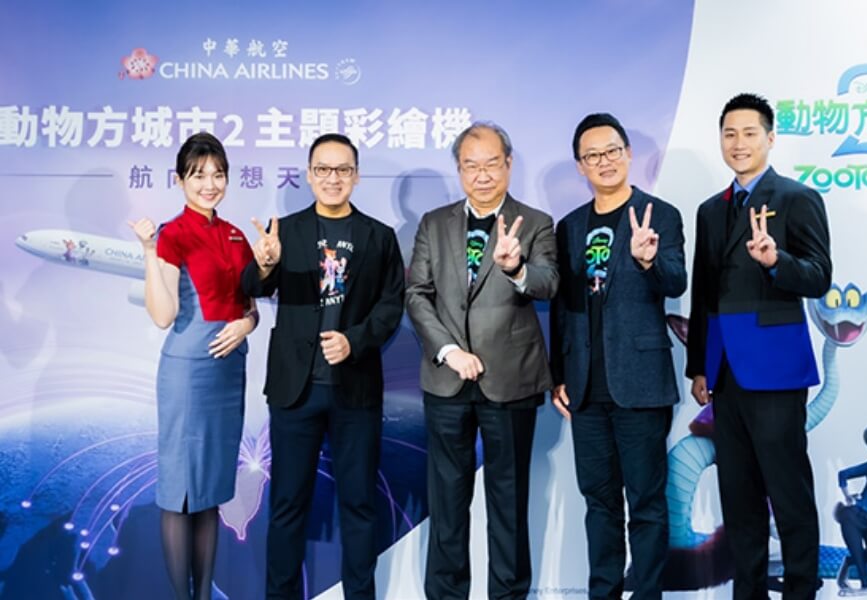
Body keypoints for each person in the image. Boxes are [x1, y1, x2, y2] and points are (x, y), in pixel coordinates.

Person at [241, 133, 405, 600]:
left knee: (359, 506)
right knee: (287, 506)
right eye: (324, 170)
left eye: (343, 170)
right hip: (295, 390)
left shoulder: (379, 237)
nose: (333, 178)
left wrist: (354, 341)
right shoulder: (285, 231)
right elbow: (252, 285)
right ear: (310, 176)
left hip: (355, 391)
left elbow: (391, 307)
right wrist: (265, 265)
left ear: (356, 175)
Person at [686, 93, 832, 599]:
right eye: (729, 133)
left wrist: (775, 262)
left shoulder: (796, 198)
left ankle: (800, 589)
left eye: (749, 133)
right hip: (725, 373)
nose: (738, 143)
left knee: (788, 493)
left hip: (776, 369)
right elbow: (703, 293)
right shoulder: (710, 210)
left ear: (770, 138)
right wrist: (699, 367)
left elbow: (819, 276)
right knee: (739, 495)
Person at [406, 121, 558, 600]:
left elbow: (548, 282)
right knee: (447, 504)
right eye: (471, 165)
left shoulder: (536, 222)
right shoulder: (434, 223)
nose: (483, 174)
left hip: (510, 381)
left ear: (509, 165)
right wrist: (449, 351)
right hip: (446, 381)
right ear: (459, 169)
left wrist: (516, 267)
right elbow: (416, 294)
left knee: (508, 503)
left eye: (492, 163)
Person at [549, 113, 686, 599]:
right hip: (586, 388)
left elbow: (676, 281)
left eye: (611, 151)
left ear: (628, 153)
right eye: (592, 156)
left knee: (646, 503)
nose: (604, 161)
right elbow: (561, 308)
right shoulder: (569, 227)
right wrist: (558, 375)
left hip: (641, 383)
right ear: (580, 166)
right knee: (599, 503)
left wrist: (648, 260)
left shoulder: (660, 214)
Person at [129, 132, 258, 600]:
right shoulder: (172, 233)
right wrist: (149, 251)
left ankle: (203, 594)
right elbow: (163, 315)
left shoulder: (237, 235)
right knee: (180, 491)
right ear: (180, 179)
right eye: (198, 175)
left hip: (228, 373)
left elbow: (250, 308)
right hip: (188, 373)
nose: (210, 184)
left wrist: (246, 325)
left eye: (218, 175)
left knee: (209, 492)